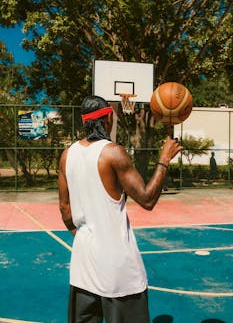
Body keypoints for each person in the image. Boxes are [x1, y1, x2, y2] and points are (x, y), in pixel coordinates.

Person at [58, 95, 182, 323]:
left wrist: (88, 237)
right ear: (107, 118)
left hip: (82, 264)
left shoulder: (67, 155)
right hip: (118, 269)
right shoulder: (113, 152)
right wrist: (164, 159)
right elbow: (147, 199)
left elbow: (65, 210)